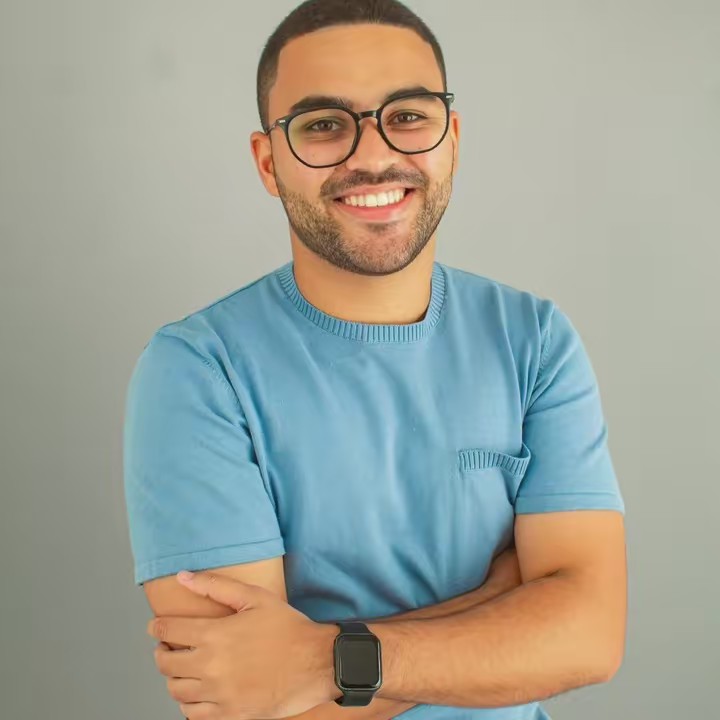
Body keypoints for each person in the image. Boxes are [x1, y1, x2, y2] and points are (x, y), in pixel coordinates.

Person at [123, 2, 627, 719]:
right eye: (323, 124)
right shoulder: (199, 372)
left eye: (408, 116)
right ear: (269, 163)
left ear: (453, 140)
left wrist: (323, 658)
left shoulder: (536, 340)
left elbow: (589, 639)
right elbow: (249, 699)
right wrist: (501, 601)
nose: (370, 155)